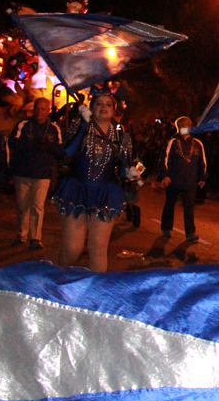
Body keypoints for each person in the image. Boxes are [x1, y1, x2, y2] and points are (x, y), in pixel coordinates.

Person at [53, 95, 136, 272]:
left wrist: (130, 172)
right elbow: (67, 152)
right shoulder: (80, 126)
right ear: (91, 107)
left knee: (98, 249)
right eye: (99, 104)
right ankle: (58, 284)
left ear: (114, 110)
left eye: (108, 104)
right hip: (77, 191)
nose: (103, 107)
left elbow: (123, 168)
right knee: (72, 249)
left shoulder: (122, 134)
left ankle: (96, 293)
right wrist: (83, 125)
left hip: (104, 194)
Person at [8, 97, 64, 249]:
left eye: (43, 109)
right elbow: (12, 142)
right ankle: (21, 235)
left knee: (38, 206)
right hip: (23, 172)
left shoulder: (53, 128)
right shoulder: (24, 125)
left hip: (42, 173)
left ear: (48, 111)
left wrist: (48, 146)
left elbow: (60, 150)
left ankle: (35, 238)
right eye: (37, 108)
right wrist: (30, 144)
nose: (39, 112)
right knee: (22, 205)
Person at [158, 117, 206, 241]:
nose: (184, 128)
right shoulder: (172, 142)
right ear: (178, 128)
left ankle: (190, 233)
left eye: (187, 126)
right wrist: (165, 175)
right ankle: (166, 228)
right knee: (170, 204)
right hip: (173, 180)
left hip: (190, 181)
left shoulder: (197, 144)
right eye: (182, 126)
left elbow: (202, 162)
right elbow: (164, 160)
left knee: (189, 207)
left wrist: (203, 176)